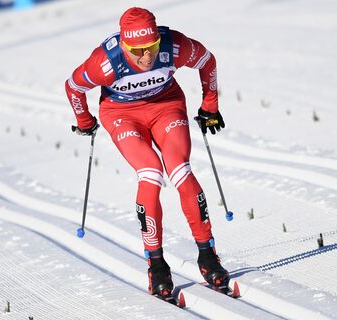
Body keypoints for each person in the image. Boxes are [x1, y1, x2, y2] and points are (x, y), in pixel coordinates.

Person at [65, 7, 229, 299]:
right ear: (125, 45)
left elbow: (207, 60)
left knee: (180, 170)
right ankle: (157, 265)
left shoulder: (174, 46)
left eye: (151, 47)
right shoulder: (104, 63)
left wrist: (210, 106)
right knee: (151, 173)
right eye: (137, 50)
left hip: (166, 106)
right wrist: (85, 121)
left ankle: (208, 256)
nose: (146, 56)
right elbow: (74, 87)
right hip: (121, 114)